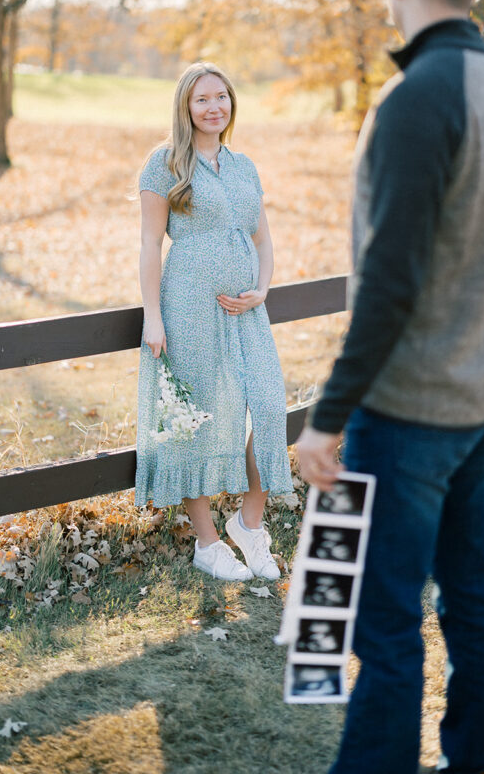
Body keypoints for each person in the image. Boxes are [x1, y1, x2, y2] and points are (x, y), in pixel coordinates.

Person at [296, 0, 484, 774]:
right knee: (473, 592)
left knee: (384, 620)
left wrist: (325, 419)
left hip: (408, 415)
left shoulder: (415, 100)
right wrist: (480, 321)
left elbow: (389, 283)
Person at [135, 61, 292, 581]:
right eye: (202, 99)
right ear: (186, 106)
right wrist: (153, 317)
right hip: (188, 306)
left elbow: (262, 238)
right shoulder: (164, 164)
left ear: (231, 103)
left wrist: (262, 290)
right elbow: (150, 245)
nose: (213, 107)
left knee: (269, 406)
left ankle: (248, 524)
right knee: (195, 420)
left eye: (221, 97)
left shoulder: (244, 165)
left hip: (247, 311)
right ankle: (207, 544)